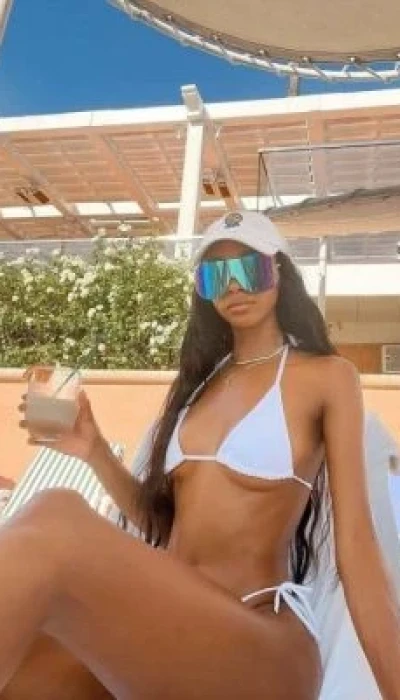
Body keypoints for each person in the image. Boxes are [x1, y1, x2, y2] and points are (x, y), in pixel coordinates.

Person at [2, 210, 400, 698]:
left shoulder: (326, 377)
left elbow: (357, 552)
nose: (233, 286)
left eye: (250, 269)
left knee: (57, 515)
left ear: (279, 273)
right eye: (216, 275)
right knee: (25, 668)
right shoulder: (198, 389)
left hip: (260, 641)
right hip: (174, 626)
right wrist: (94, 448)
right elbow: (162, 527)